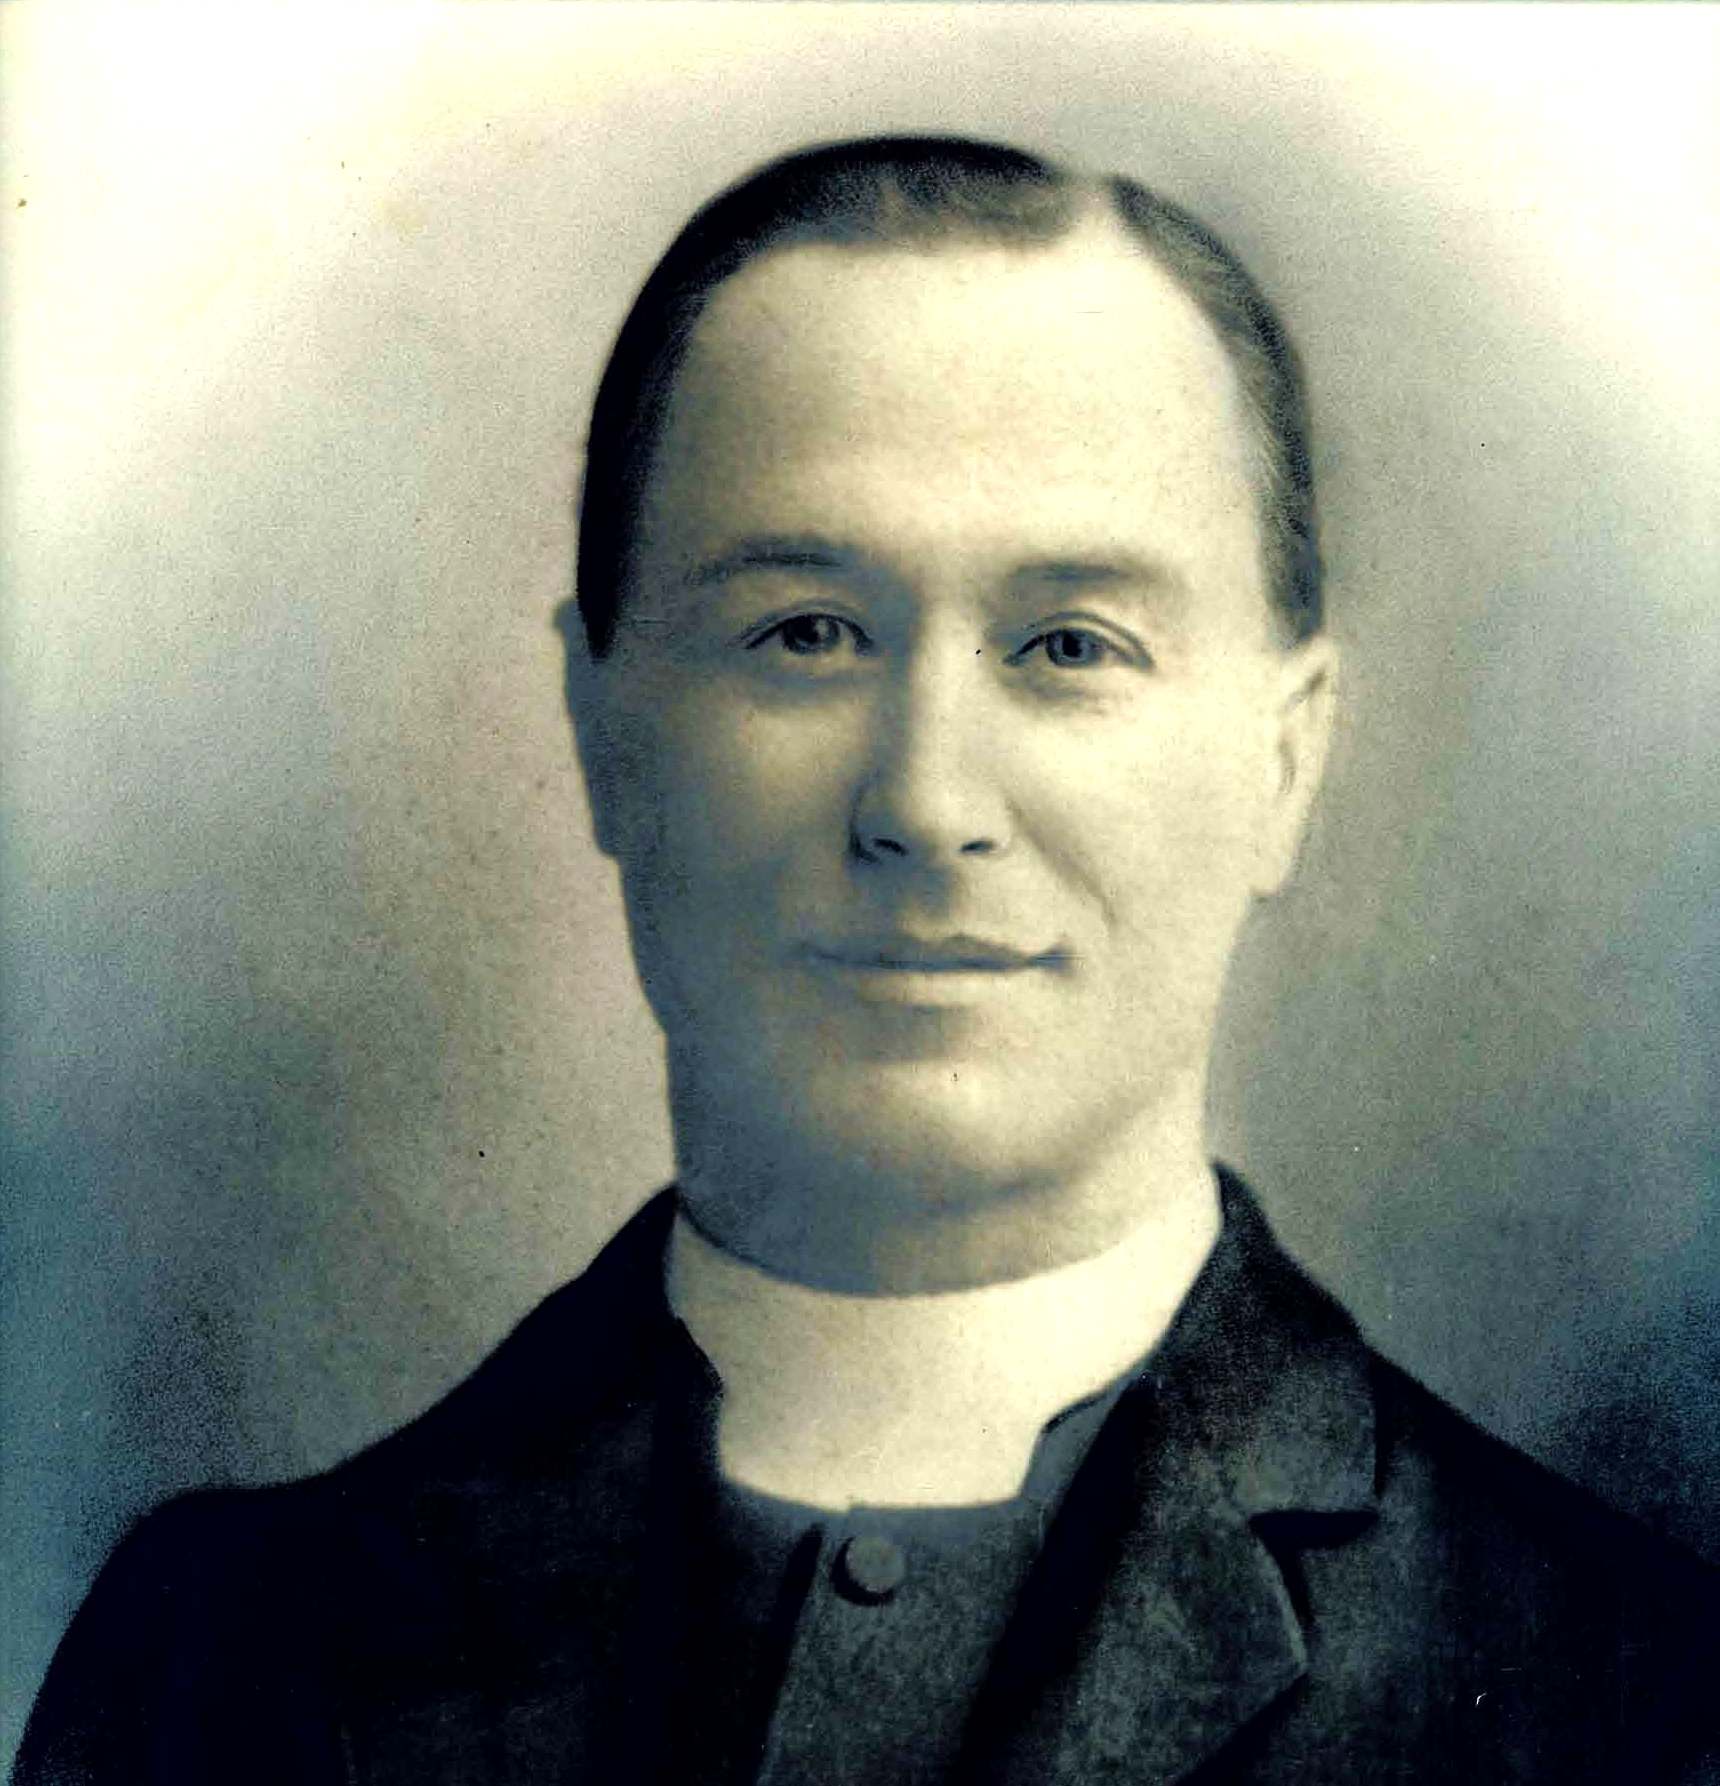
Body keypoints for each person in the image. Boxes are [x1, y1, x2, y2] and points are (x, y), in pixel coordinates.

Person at [16, 135, 1718, 1786]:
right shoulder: (212, 1657)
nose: (924, 800)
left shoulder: (1631, 1688)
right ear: (605, 729)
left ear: (1282, 764)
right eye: (805, 634)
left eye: (1069, 645)